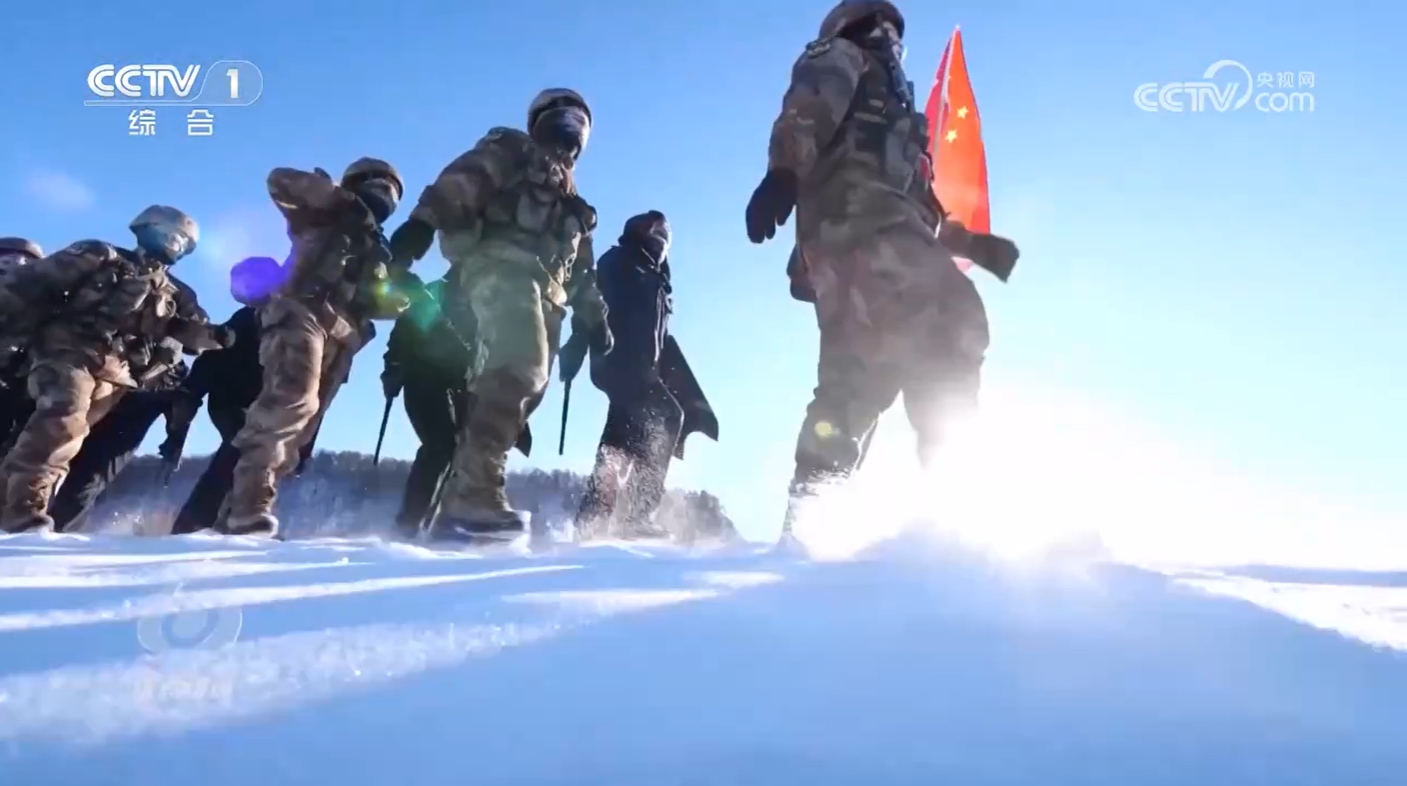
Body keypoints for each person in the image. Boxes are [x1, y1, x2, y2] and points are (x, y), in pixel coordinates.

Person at [744, 0, 1017, 539]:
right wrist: (782, 172)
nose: (891, 38)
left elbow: (919, 200)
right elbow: (807, 107)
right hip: (853, 227)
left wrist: (972, 245)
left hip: (885, 233)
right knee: (941, 323)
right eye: (881, 27)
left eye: (897, 32)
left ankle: (823, 517)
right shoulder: (843, 56)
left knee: (866, 374)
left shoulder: (900, 115)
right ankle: (934, 499)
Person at [388, 88, 612, 542]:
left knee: (521, 397)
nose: (570, 129)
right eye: (561, 116)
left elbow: (583, 270)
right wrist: (423, 221)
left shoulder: (574, 204)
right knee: (520, 368)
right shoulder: (511, 150)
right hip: (499, 268)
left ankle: (463, 503)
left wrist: (595, 317)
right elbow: (463, 179)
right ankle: (474, 495)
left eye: (579, 122)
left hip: (550, 299)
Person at [0, 206, 227, 532]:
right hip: (68, 351)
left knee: (70, 440)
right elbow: (30, 284)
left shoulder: (173, 292)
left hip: (116, 375)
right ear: (146, 228)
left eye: (181, 241)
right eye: (168, 234)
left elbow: (188, 330)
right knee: (61, 422)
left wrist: (215, 336)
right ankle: (25, 514)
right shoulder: (99, 255)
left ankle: (9, 508)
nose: (172, 243)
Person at [221, 160, 409, 537]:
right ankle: (248, 506)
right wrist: (332, 196)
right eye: (378, 184)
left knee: (302, 431)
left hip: (342, 339)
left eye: (392, 191)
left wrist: (393, 301)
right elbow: (279, 179)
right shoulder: (327, 213)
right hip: (301, 312)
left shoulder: (376, 249)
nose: (384, 194)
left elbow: (373, 298)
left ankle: (240, 516)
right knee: (292, 400)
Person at [571, 211, 717, 539]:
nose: (661, 246)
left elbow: (661, 339)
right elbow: (591, 298)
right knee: (666, 416)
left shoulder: (656, 280)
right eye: (657, 238)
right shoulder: (620, 261)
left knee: (617, 443)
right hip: (621, 363)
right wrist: (578, 341)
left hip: (638, 368)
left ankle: (590, 520)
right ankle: (636, 515)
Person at [381, 277, 535, 538]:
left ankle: (448, 520)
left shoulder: (488, 303)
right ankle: (408, 524)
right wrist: (393, 367)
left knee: (468, 451)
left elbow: (487, 355)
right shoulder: (437, 292)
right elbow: (403, 334)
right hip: (423, 375)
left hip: (463, 384)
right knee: (440, 445)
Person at [47, 351, 189, 532]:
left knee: (88, 479)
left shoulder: (171, 371)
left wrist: (175, 442)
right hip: (90, 399)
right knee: (50, 466)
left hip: (128, 419)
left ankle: (56, 534)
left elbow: (181, 409)